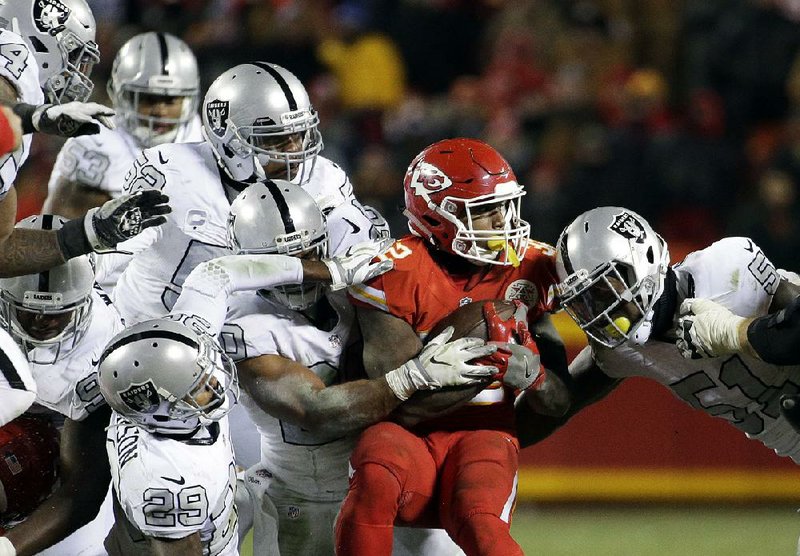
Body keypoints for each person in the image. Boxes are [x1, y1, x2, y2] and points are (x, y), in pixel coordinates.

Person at [169, 178, 497, 555]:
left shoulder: (355, 279)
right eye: (282, 263)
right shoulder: (242, 322)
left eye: (309, 253)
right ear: (252, 262)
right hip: (304, 497)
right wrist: (413, 376)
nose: (300, 269)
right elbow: (316, 411)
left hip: (389, 475)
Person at [108, 61, 389, 472]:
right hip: (155, 349)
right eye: (276, 139)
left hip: (250, 350)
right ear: (227, 138)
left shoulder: (324, 180)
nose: (295, 151)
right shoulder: (171, 176)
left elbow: (359, 260)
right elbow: (110, 260)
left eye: (299, 134)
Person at [336, 138, 570, 556]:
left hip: (484, 430)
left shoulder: (536, 267)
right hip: (408, 432)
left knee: (481, 519)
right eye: (484, 211)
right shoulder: (394, 271)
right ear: (435, 216)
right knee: (376, 472)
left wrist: (535, 378)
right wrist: (483, 364)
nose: (503, 221)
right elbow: (400, 404)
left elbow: (558, 400)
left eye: (505, 206)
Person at [518, 206, 800, 463]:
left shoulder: (726, 270)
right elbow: (548, 411)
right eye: (585, 302)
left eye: (604, 291)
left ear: (642, 261)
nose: (598, 312)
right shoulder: (618, 351)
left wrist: (735, 332)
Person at [0, 0, 171, 278]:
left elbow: (2, 249)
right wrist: (38, 116)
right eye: (75, 54)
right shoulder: (13, 51)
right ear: (43, 39)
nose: (77, 72)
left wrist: (89, 232)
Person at [0, 215, 125, 556]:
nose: (43, 321)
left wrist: (7, 549)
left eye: (59, 313)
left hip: (52, 436)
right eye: (28, 311)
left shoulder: (102, 350)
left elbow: (82, 489)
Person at [98, 319, 240, 555]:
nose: (215, 385)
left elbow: (213, 283)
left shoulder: (171, 369)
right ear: (160, 412)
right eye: (198, 387)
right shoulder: (169, 482)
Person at [44, 31, 203, 220]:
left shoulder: (201, 136)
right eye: (148, 99)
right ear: (122, 97)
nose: (160, 111)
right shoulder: (97, 141)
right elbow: (57, 230)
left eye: (170, 101)